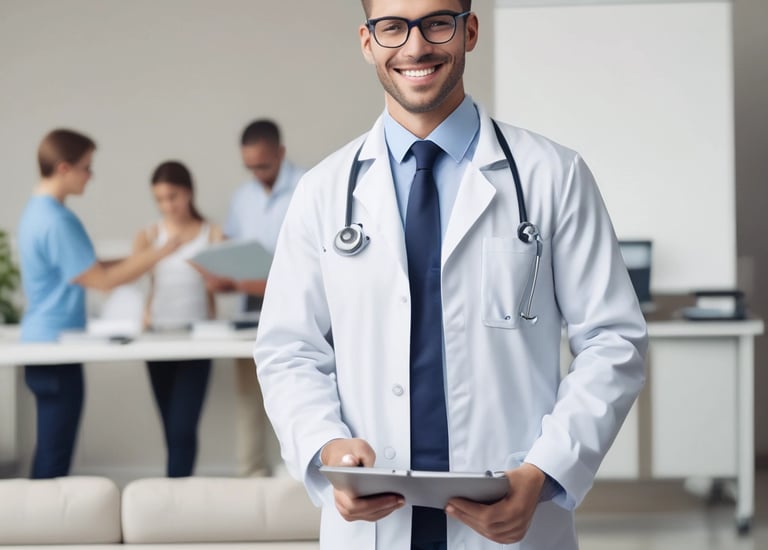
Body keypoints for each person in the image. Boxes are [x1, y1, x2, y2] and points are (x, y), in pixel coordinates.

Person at [254, 1, 648, 548]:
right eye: (392, 27)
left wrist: (543, 473)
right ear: (368, 41)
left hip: (512, 508)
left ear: (470, 31)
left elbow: (613, 341)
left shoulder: (553, 176)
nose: (415, 47)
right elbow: (288, 350)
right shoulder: (324, 192)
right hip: (375, 524)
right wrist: (326, 449)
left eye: (437, 22)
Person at [17, 129, 179, 479]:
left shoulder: (36, 212)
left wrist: (139, 257)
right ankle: (44, 529)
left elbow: (89, 267)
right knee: (54, 456)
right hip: (55, 348)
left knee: (50, 449)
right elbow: (102, 281)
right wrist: (162, 252)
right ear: (64, 168)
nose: (90, 176)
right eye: (86, 168)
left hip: (42, 343)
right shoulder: (57, 220)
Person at [204, 119, 306, 476]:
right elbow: (232, 249)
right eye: (250, 167)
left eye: (264, 165)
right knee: (250, 393)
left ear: (280, 153)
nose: (257, 173)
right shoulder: (243, 198)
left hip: (299, 308)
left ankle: (298, 475)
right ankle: (252, 475)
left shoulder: (309, 187)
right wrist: (222, 274)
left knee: (299, 389)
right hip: (252, 308)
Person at [133, 160, 224, 477]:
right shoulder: (148, 236)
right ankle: (173, 498)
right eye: (159, 199)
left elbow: (226, 285)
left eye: (172, 196)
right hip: (157, 339)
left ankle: (175, 492)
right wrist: (159, 253)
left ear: (188, 192)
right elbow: (132, 278)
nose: (166, 205)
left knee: (184, 428)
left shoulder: (211, 233)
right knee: (171, 428)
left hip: (197, 340)